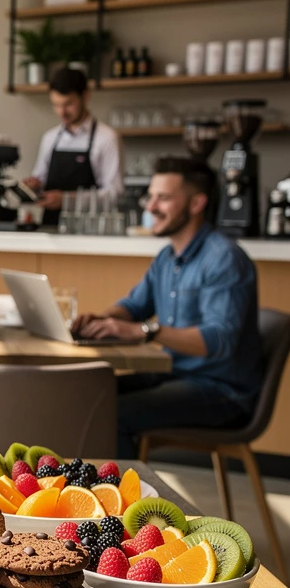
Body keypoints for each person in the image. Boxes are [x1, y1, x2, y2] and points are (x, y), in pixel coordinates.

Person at [72, 156, 263, 459]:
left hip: (222, 390)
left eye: (163, 198)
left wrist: (146, 331)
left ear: (196, 203)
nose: (150, 207)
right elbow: (134, 306)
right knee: (88, 396)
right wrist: (104, 319)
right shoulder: (166, 257)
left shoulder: (224, 258)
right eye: (151, 196)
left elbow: (219, 340)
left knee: (111, 414)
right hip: (175, 373)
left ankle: (125, 505)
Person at [22, 67, 124, 229]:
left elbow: (113, 194)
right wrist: (33, 186)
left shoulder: (106, 138)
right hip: (51, 228)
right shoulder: (50, 138)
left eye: (68, 104)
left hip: (91, 230)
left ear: (85, 96)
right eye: (56, 105)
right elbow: (40, 178)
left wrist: (67, 200)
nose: (61, 112)